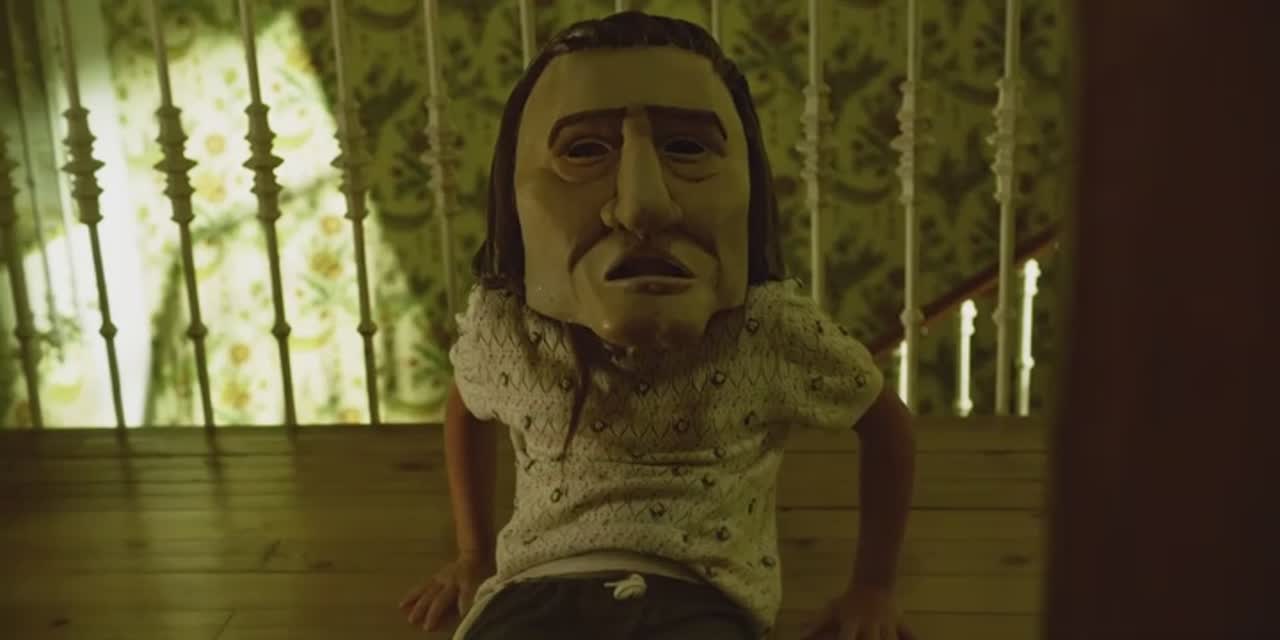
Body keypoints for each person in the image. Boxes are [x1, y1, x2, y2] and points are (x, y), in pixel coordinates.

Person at [398, 11, 916, 640]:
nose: (643, 204)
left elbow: (883, 422)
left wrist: (873, 585)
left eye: (687, 148)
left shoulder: (768, 331)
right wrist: (473, 554)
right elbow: (466, 403)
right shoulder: (511, 330)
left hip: (696, 596)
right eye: (584, 151)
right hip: (534, 590)